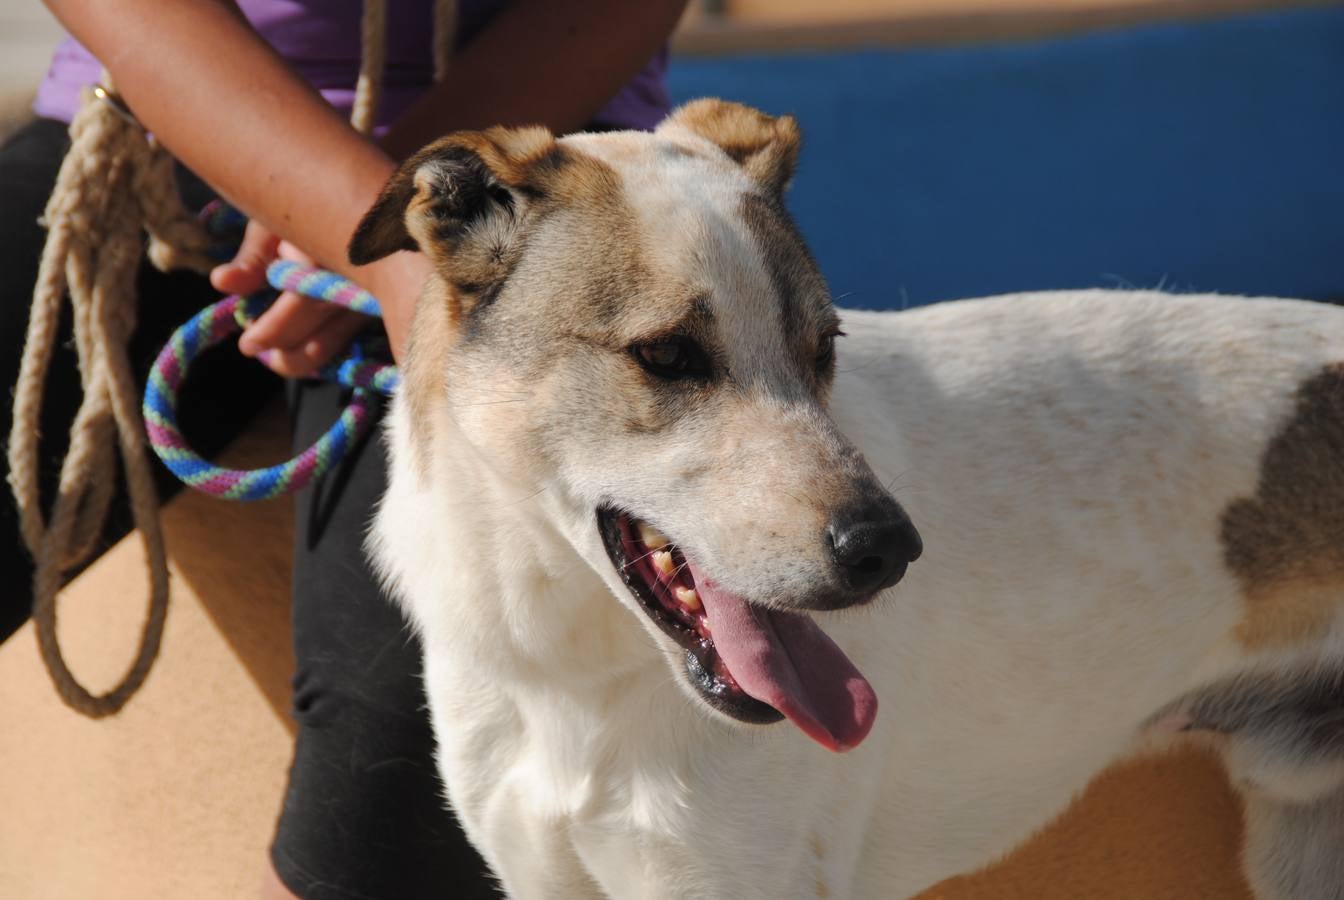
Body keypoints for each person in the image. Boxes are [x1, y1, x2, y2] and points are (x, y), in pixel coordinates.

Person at [2, 1, 687, 897]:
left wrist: (404, 214)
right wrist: (353, 213)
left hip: (534, 163)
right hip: (151, 122)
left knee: (422, 725)